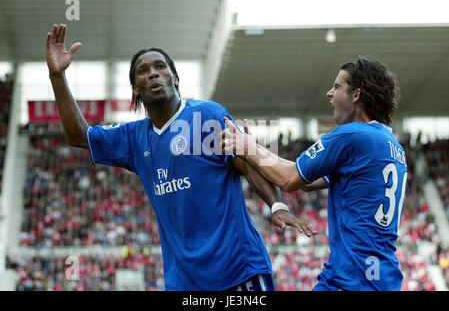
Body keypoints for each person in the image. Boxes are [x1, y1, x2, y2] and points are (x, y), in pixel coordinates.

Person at [45, 23, 316, 291]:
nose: (153, 74)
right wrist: (57, 76)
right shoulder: (132, 138)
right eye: (143, 71)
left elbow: (246, 163)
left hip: (237, 272)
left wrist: (276, 206)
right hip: (183, 281)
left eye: (160, 67)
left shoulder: (206, 116)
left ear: (175, 78)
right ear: (136, 89)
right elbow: (79, 136)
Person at [222, 57, 407, 291]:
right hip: (382, 276)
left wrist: (247, 147)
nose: (330, 93)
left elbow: (288, 179)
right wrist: (253, 150)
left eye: (337, 86)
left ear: (357, 94)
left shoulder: (351, 135)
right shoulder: (391, 144)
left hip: (353, 277)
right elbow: (306, 182)